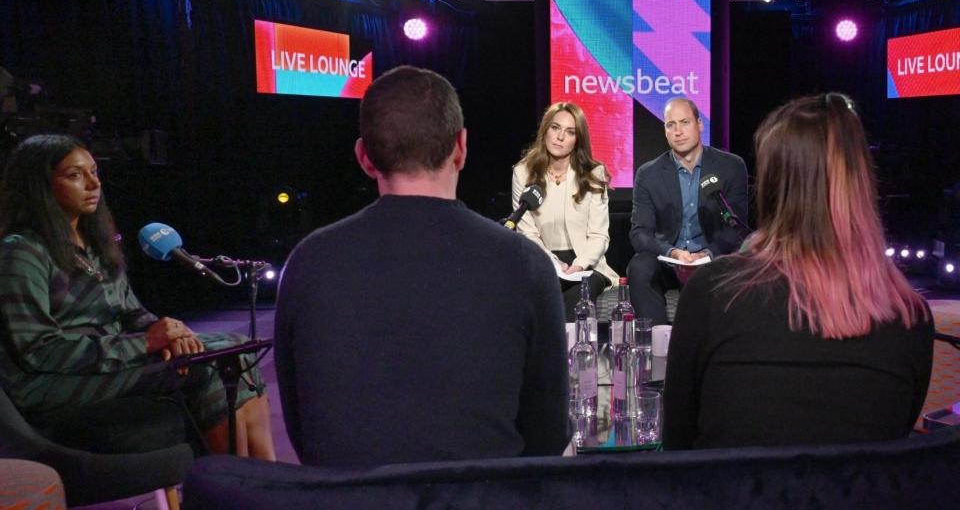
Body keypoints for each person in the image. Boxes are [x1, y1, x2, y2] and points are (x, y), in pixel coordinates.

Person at [275, 66, 569, 467]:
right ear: (461, 148)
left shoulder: (307, 262)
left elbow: (303, 431)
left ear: (364, 157)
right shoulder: (526, 264)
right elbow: (548, 437)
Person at [662, 93, 934, 450]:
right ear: (861, 183)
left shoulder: (712, 291)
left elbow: (677, 444)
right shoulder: (911, 314)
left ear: (774, 186)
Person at [0, 134, 276, 460]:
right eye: (75, 175)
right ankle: (234, 488)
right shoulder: (22, 251)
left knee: (234, 349)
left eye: (94, 172)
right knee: (209, 367)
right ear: (40, 186)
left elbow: (131, 313)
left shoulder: (95, 244)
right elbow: (39, 351)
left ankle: (267, 478)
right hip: (51, 383)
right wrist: (145, 343)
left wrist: (169, 332)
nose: (93, 184)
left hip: (107, 364)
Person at [627, 97, 748, 325]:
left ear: (700, 124)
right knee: (640, 266)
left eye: (685, 122)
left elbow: (736, 228)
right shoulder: (648, 173)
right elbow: (640, 233)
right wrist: (672, 252)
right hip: (668, 259)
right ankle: (657, 343)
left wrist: (707, 254)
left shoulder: (731, 167)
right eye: (671, 125)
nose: (678, 131)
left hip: (710, 258)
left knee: (730, 263)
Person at [512, 101, 617, 320]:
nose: (560, 137)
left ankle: (571, 352)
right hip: (543, 257)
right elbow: (527, 233)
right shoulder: (523, 172)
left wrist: (578, 265)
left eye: (570, 132)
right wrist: (552, 262)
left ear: (577, 140)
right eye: (555, 128)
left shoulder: (594, 174)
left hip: (587, 262)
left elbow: (599, 236)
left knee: (578, 295)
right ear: (545, 130)